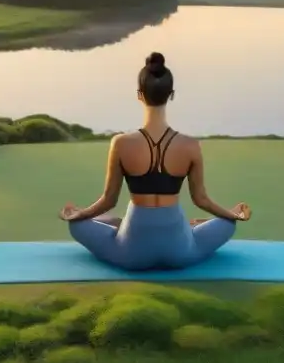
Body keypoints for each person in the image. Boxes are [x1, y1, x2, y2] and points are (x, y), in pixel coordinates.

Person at [59, 51, 251, 270]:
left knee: (76, 226)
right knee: (228, 224)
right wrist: (231, 214)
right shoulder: (190, 145)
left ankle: (118, 226)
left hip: (131, 254)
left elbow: (108, 200)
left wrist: (80, 214)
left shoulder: (121, 143)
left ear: (139, 95)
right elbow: (201, 200)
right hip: (180, 252)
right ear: (172, 94)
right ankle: (190, 228)